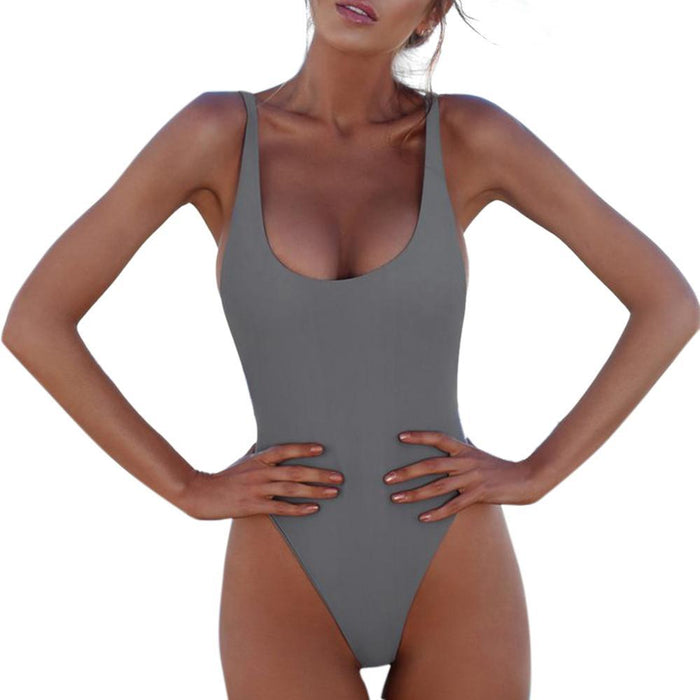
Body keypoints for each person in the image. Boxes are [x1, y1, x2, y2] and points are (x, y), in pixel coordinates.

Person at [3, 1, 699, 698]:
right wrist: (185, 487)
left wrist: (539, 473)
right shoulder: (216, 134)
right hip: (284, 572)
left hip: (454, 562)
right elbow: (35, 322)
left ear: (429, 16)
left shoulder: (469, 138)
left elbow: (667, 303)